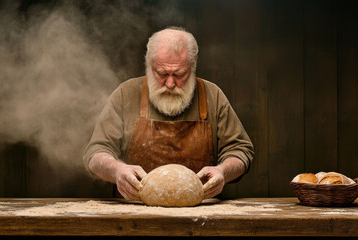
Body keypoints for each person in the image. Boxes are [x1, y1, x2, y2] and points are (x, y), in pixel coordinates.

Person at [83, 26, 254, 200]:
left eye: (179, 74)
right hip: (133, 214)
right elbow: (96, 152)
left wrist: (223, 171)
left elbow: (240, 149)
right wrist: (117, 170)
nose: (170, 83)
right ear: (149, 66)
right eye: (162, 73)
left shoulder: (212, 96)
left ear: (192, 68)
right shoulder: (126, 94)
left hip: (199, 215)